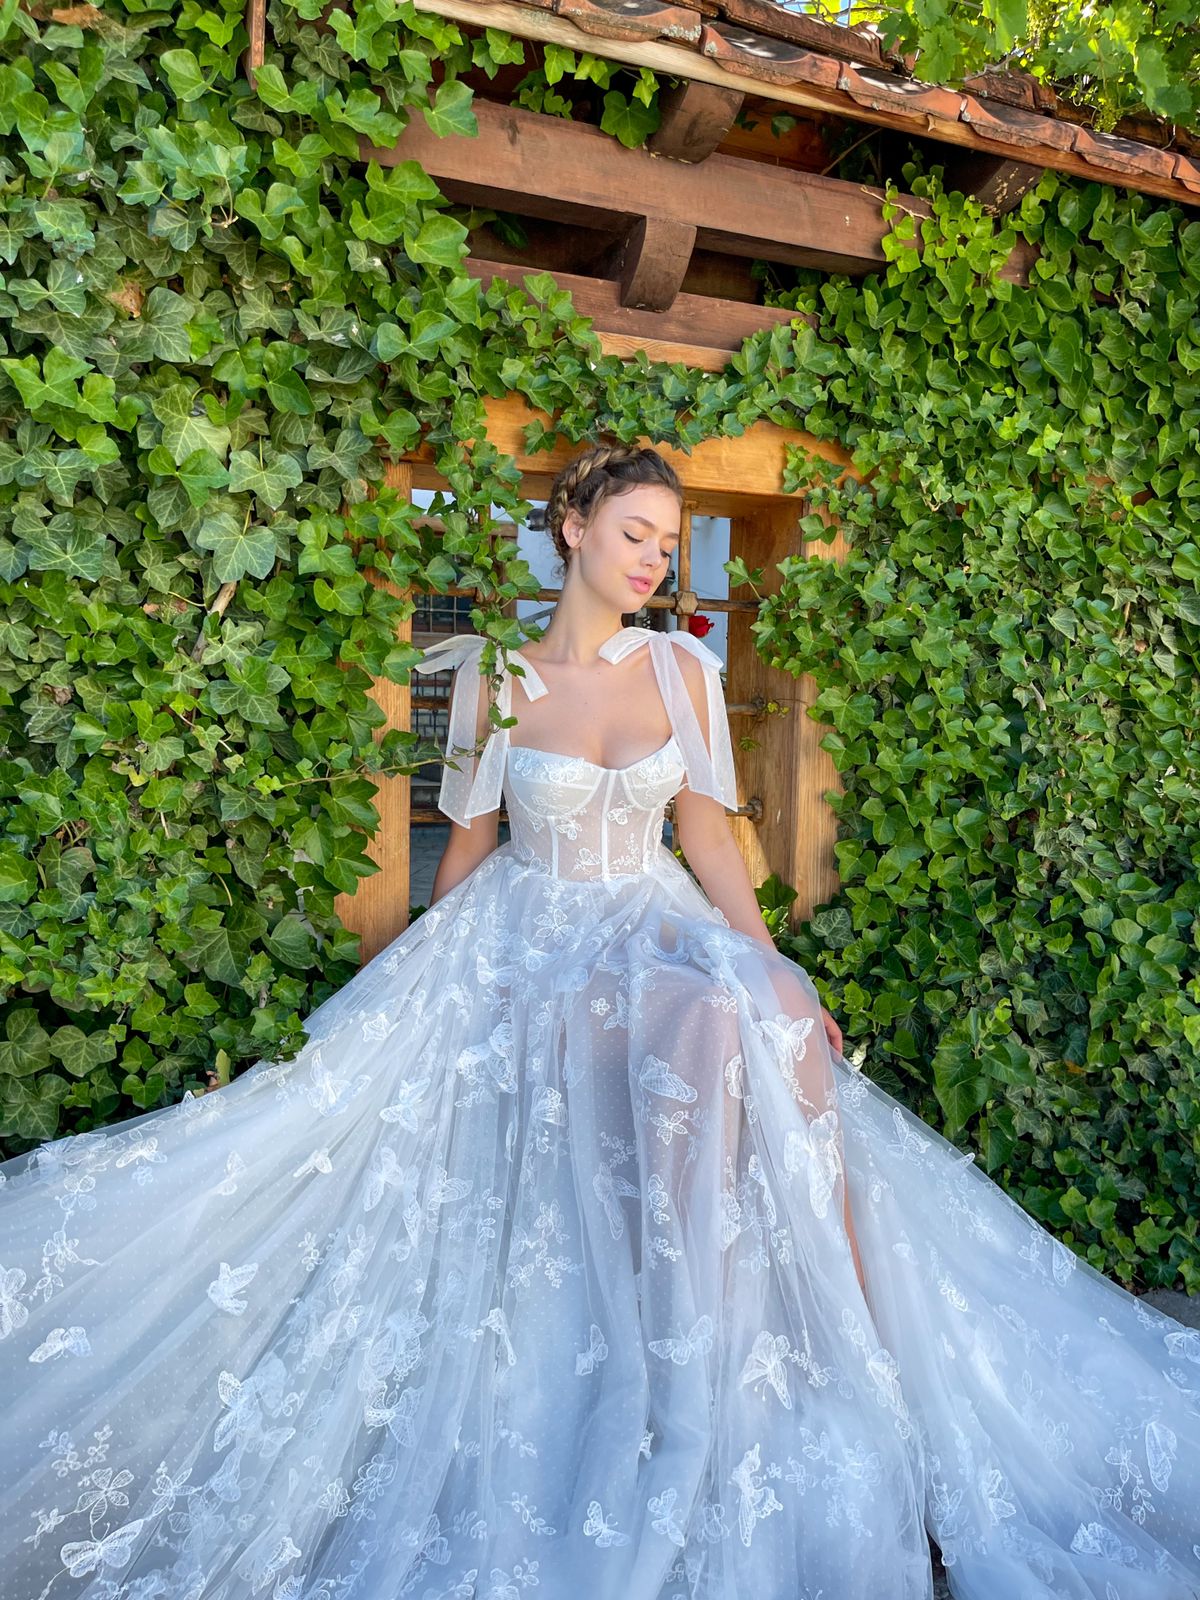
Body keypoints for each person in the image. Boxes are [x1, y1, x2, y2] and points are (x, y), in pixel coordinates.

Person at [0, 442, 1197, 1600]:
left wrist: (781, 964)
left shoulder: (680, 667)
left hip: (653, 918)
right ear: (571, 527)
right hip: (532, 935)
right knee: (700, 1028)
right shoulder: (493, 677)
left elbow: (709, 831)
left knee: (764, 1012)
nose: (653, 562)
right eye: (634, 534)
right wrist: (429, 987)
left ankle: (786, 1333)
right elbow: (468, 842)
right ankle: (671, 1346)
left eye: (669, 545)